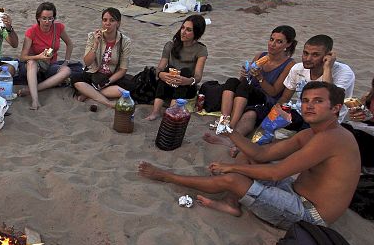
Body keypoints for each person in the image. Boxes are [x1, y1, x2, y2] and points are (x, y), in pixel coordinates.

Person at [140, 81, 360, 228]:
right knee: (247, 155)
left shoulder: (331, 137)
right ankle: (231, 203)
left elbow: (276, 172)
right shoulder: (311, 133)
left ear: (336, 109)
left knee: (232, 177)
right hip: (296, 192)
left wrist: (231, 168)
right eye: (306, 101)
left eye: (318, 101)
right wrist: (229, 131)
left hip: (310, 214)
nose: (309, 106)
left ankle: (165, 176)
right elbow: (261, 153)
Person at [211, 26, 297, 138]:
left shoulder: (289, 65)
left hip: (265, 99)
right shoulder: (260, 55)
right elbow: (245, 81)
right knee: (232, 81)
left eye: (279, 42)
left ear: (288, 44)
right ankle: (224, 120)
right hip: (248, 93)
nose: (272, 44)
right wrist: (244, 75)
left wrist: (260, 77)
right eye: (271, 39)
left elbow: (274, 92)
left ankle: (231, 125)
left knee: (245, 88)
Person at [277, 35, 356, 128]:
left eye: (315, 55)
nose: (308, 59)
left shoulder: (343, 72)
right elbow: (285, 97)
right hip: (300, 113)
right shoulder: (298, 69)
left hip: (326, 120)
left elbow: (331, 99)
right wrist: (275, 113)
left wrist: (327, 68)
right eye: (305, 53)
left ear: (327, 56)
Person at [146, 15, 208, 121]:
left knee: (185, 71)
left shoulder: (201, 50)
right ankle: (155, 112)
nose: (183, 32)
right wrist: (161, 75)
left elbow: (198, 77)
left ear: (196, 33)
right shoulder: (170, 46)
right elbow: (159, 68)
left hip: (187, 87)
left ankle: (171, 112)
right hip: (168, 84)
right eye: (182, 28)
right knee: (168, 69)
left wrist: (187, 80)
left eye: (188, 30)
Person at [72, 7, 131, 109]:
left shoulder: (125, 41)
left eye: (112, 20)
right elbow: (87, 62)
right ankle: (107, 103)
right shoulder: (93, 36)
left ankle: (89, 93)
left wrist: (108, 81)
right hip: (93, 73)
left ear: (118, 23)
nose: (107, 23)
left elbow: (123, 70)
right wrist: (95, 44)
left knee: (126, 89)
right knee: (75, 80)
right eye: (105, 20)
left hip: (111, 76)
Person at [19, 2, 73, 110]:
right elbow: (23, 57)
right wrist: (38, 57)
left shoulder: (58, 28)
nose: (47, 22)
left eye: (50, 18)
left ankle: (31, 90)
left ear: (54, 18)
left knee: (67, 71)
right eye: (44, 18)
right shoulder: (32, 31)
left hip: (50, 65)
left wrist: (66, 61)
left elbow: (70, 44)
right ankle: (35, 100)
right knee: (31, 63)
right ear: (38, 18)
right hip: (32, 66)